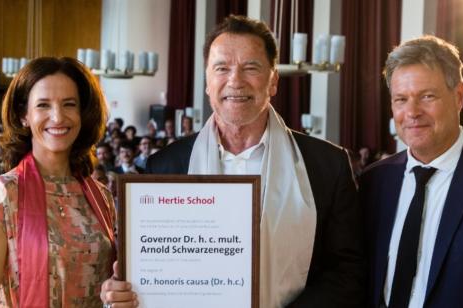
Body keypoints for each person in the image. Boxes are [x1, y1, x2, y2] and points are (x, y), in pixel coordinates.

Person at [144, 15, 364, 307]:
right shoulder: (163, 167)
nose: (235, 81)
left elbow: (348, 272)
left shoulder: (327, 165)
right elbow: (154, 267)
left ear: (273, 81)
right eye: (221, 68)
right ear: (207, 81)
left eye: (251, 67)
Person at [360, 35, 463, 308]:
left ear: (459, 96)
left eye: (427, 96)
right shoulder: (374, 181)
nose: (412, 112)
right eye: (401, 99)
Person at [0, 57, 137, 307]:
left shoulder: (101, 196)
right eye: (43, 105)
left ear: (82, 113)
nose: (58, 117)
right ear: (24, 115)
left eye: (69, 104)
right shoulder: (0, 195)